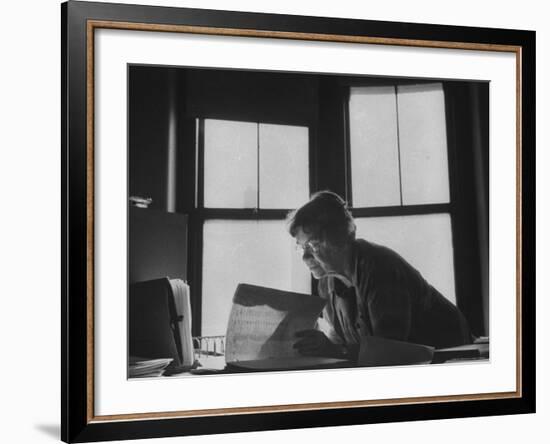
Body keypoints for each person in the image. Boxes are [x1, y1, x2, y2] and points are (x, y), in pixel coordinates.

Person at [289, 191, 472, 360]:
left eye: (312, 245)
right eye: (301, 247)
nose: (305, 257)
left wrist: (334, 350)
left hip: (452, 357)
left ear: (339, 238)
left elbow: (388, 350)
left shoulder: (379, 268)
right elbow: (340, 342)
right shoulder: (326, 281)